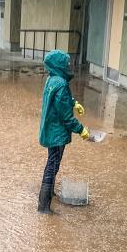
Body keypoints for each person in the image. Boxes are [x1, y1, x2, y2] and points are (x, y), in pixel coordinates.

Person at [37, 50, 90, 213]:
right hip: (57, 132)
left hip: (51, 128)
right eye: (66, 63)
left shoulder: (52, 80)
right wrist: (81, 130)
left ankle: (49, 192)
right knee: (53, 164)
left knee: (52, 161)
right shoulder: (61, 83)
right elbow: (66, 117)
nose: (68, 66)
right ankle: (43, 205)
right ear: (59, 65)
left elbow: (61, 100)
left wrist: (74, 103)